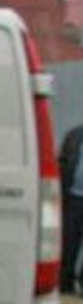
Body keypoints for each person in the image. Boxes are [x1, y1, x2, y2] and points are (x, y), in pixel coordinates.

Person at [59, 125, 83, 294]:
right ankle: (64, 284)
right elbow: (62, 161)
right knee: (69, 243)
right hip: (73, 198)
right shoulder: (74, 135)